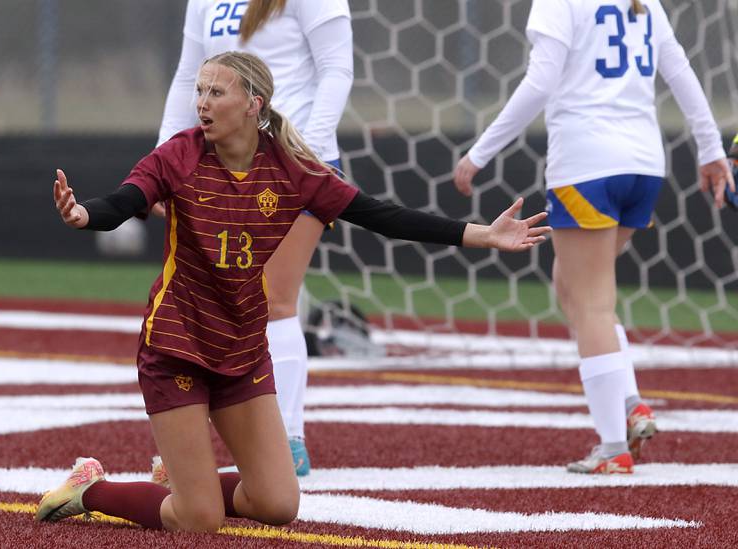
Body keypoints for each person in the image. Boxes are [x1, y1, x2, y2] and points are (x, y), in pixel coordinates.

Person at [36, 51, 550, 532]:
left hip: (241, 348)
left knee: (278, 505)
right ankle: (92, 488)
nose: (202, 103)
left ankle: (188, 484)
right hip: (177, 345)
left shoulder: (293, 170)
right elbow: (127, 200)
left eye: (216, 92)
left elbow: (381, 216)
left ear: (253, 104)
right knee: (198, 519)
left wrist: (482, 234)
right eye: (200, 91)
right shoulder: (179, 154)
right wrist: (83, 215)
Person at [452, 0, 735, 474]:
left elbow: (539, 82)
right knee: (572, 286)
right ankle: (630, 404)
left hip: (588, 165)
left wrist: (479, 153)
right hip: (644, 167)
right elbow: (681, 72)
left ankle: (613, 447)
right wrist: (709, 150)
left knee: (591, 304)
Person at [154, 0, 354, 476]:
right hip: (225, 165)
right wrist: (163, 157)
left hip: (294, 163)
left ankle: (288, 440)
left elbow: (337, 69)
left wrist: (306, 154)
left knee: (274, 298)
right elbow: (187, 77)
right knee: (212, 299)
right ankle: (200, 444)